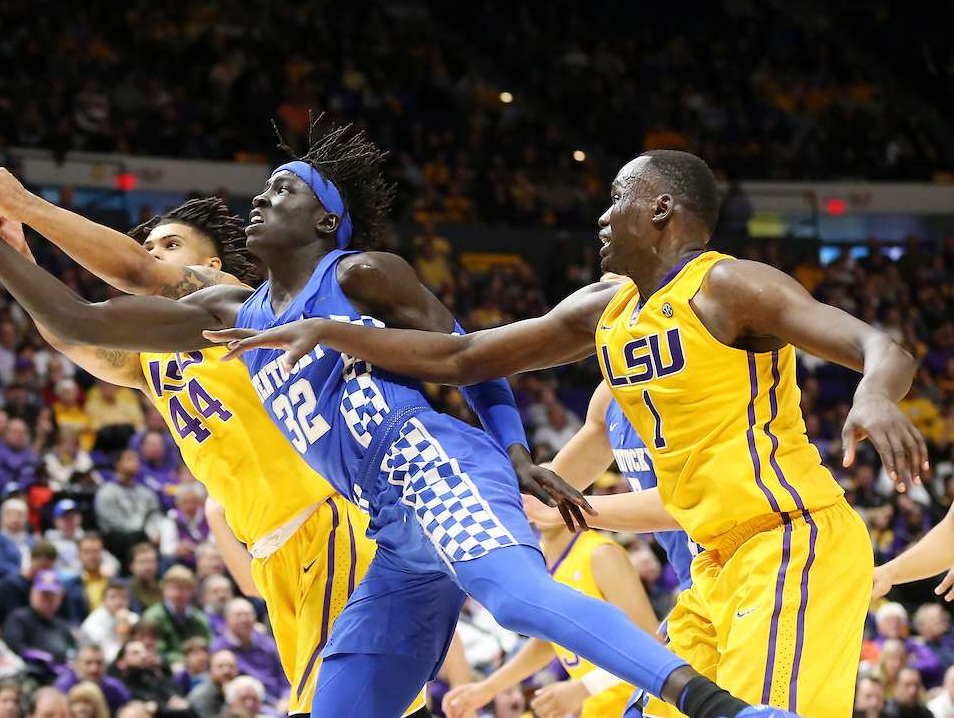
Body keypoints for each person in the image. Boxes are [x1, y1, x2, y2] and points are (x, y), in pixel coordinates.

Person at [0, 130, 796, 718]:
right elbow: (81, 321)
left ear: (323, 220)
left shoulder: (358, 272)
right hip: (392, 528)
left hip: (433, 465)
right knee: (343, 700)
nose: (258, 202)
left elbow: (469, 350)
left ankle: (722, 709)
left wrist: (516, 452)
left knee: (515, 596)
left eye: (281, 191)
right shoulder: (228, 310)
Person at [198, 146, 925, 718]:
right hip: (709, 567)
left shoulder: (727, 286)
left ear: (661, 209)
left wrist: (875, 396)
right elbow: (464, 356)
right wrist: (337, 331)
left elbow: (883, 345)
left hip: (789, 539)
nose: (602, 217)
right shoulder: (603, 309)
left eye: (616, 200)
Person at [0, 149, 406, 717]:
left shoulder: (244, 309)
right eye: (149, 245)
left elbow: (136, 275)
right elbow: (71, 331)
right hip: (273, 549)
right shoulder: (151, 361)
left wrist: (24, 202)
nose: (153, 258)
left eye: (169, 246)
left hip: (328, 520)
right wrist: (12, 248)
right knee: (376, 705)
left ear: (213, 268)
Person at [443, 469, 660, 718]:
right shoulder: (538, 559)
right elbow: (551, 639)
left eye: (545, 490)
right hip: (599, 707)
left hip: (642, 701)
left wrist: (582, 687)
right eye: (528, 490)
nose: (534, 497)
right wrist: (489, 687)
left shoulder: (600, 554)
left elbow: (652, 644)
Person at [209, 598, 289, 711]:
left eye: (248, 614)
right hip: (247, 704)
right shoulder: (219, 650)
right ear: (226, 621)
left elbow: (285, 675)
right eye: (238, 615)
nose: (244, 619)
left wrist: (285, 698)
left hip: (281, 702)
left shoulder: (268, 644)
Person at [0, 570, 76, 664]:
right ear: (32, 594)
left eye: (52, 595)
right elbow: (14, 648)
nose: (48, 600)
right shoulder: (19, 620)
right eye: (43, 594)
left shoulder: (63, 626)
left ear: (60, 598)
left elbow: (74, 651)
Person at [142, 565, 211, 667]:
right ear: (164, 589)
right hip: (166, 668)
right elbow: (155, 650)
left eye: (183, 588)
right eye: (173, 588)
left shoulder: (200, 620)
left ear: (192, 591)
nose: (177, 594)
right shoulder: (153, 617)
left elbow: (208, 647)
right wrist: (186, 661)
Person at [54, 644, 131, 715]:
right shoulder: (63, 688)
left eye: (99, 663)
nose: (94, 669)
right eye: (88, 663)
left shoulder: (114, 688)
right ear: (76, 664)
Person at [81, 580, 139, 663]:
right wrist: (123, 630)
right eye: (113, 597)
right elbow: (107, 659)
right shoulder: (93, 624)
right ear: (103, 601)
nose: (118, 602)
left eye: (123, 597)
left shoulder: (134, 618)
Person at [0, 499, 33, 579]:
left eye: (19, 515)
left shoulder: (32, 541)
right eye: (10, 515)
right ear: (1, 519)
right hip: (7, 581)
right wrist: (20, 573)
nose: (14, 520)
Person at [188, 650, 240, 718]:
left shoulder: (244, 692)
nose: (226, 671)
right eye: (220, 666)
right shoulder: (200, 697)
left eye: (231, 666)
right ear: (210, 671)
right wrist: (229, 700)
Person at [125, 544, 161, 613]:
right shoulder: (126, 589)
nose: (147, 567)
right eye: (142, 562)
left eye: (151, 562)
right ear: (131, 566)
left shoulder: (164, 589)